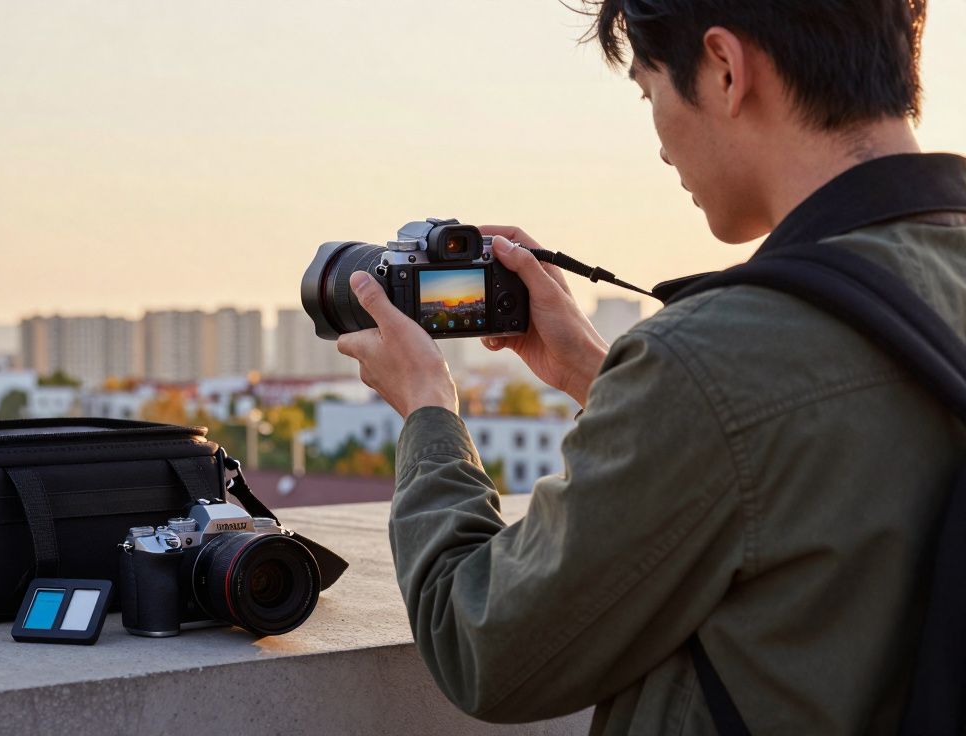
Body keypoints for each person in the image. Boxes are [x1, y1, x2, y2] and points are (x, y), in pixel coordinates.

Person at [334, 1, 966, 733]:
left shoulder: (715, 360)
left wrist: (427, 410)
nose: (662, 148)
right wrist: (597, 374)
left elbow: (479, 643)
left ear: (726, 70)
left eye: (650, 90)